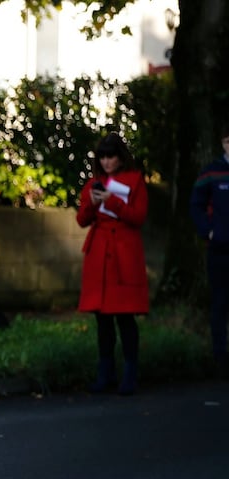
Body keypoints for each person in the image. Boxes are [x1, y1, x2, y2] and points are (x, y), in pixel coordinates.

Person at [75, 132, 149, 395]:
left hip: (123, 254)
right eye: (103, 157)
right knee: (102, 320)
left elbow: (138, 216)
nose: (107, 162)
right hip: (99, 255)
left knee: (125, 318)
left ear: (121, 158)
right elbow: (81, 220)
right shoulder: (93, 184)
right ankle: (105, 372)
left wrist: (112, 201)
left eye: (111, 157)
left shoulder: (135, 181)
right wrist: (93, 204)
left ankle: (130, 373)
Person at [189, 125, 229, 378]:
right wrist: (209, 232)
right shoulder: (211, 172)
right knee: (221, 303)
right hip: (220, 250)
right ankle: (221, 360)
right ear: (223, 143)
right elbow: (196, 205)